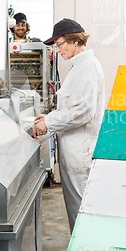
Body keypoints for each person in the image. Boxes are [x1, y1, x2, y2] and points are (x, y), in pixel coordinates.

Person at [33, 18, 105, 232]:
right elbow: (73, 106)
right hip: (74, 149)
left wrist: (49, 121)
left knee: (81, 209)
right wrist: (48, 117)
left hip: (80, 151)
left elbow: (83, 111)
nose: (58, 49)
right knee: (77, 208)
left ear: (75, 41)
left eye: (61, 43)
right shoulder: (80, 66)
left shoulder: (87, 67)